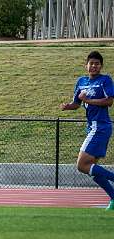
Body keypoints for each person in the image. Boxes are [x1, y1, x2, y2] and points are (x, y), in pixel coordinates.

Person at [60, 51, 114, 210]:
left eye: (97, 63)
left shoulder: (105, 80)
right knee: (93, 170)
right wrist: (67, 107)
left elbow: (109, 101)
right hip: (92, 127)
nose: (94, 66)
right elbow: (77, 103)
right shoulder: (81, 81)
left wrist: (87, 100)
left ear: (101, 66)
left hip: (100, 127)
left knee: (82, 165)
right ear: (86, 65)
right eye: (91, 63)